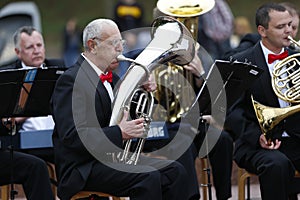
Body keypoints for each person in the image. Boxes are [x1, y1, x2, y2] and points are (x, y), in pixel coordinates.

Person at [51, 18, 191, 200]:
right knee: (148, 176)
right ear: (92, 46)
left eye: (121, 43)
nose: (120, 49)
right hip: (83, 168)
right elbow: (73, 136)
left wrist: (143, 91)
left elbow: (126, 116)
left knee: (175, 172)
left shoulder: (114, 79)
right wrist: (120, 132)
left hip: (111, 161)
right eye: (113, 43)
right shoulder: (71, 81)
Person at [227, 3, 300, 199]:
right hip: (256, 143)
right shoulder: (241, 62)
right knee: (277, 164)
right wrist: (258, 136)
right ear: (262, 31)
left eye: (290, 25)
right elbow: (232, 112)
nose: (288, 31)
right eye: (280, 27)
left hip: (296, 138)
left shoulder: (297, 58)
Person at [0, 26, 58, 200]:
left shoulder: (60, 69)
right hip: (24, 141)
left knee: (78, 154)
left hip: (58, 137)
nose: (36, 51)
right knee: (35, 166)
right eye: (30, 47)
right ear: (18, 52)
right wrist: (14, 119)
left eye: (39, 45)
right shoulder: (8, 77)